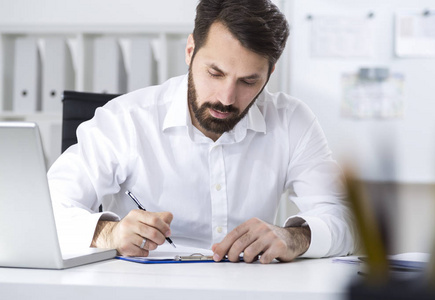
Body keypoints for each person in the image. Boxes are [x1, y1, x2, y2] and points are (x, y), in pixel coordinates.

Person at [48, 0, 356, 264]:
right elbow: (44, 209)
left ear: (269, 74)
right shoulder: (126, 120)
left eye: (248, 81)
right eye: (215, 73)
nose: (226, 98)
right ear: (190, 50)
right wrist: (110, 233)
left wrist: (293, 238)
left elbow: (345, 220)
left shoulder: (292, 121)